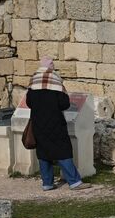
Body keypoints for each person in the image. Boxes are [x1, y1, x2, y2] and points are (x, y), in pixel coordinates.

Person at [25, 57, 87, 191]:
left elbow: (29, 102)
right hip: (55, 123)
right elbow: (64, 103)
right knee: (62, 150)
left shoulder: (33, 82)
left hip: (38, 123)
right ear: (51, 67)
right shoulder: (55, 81)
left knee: (43, 152)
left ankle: (47, 183)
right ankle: (74, 181)